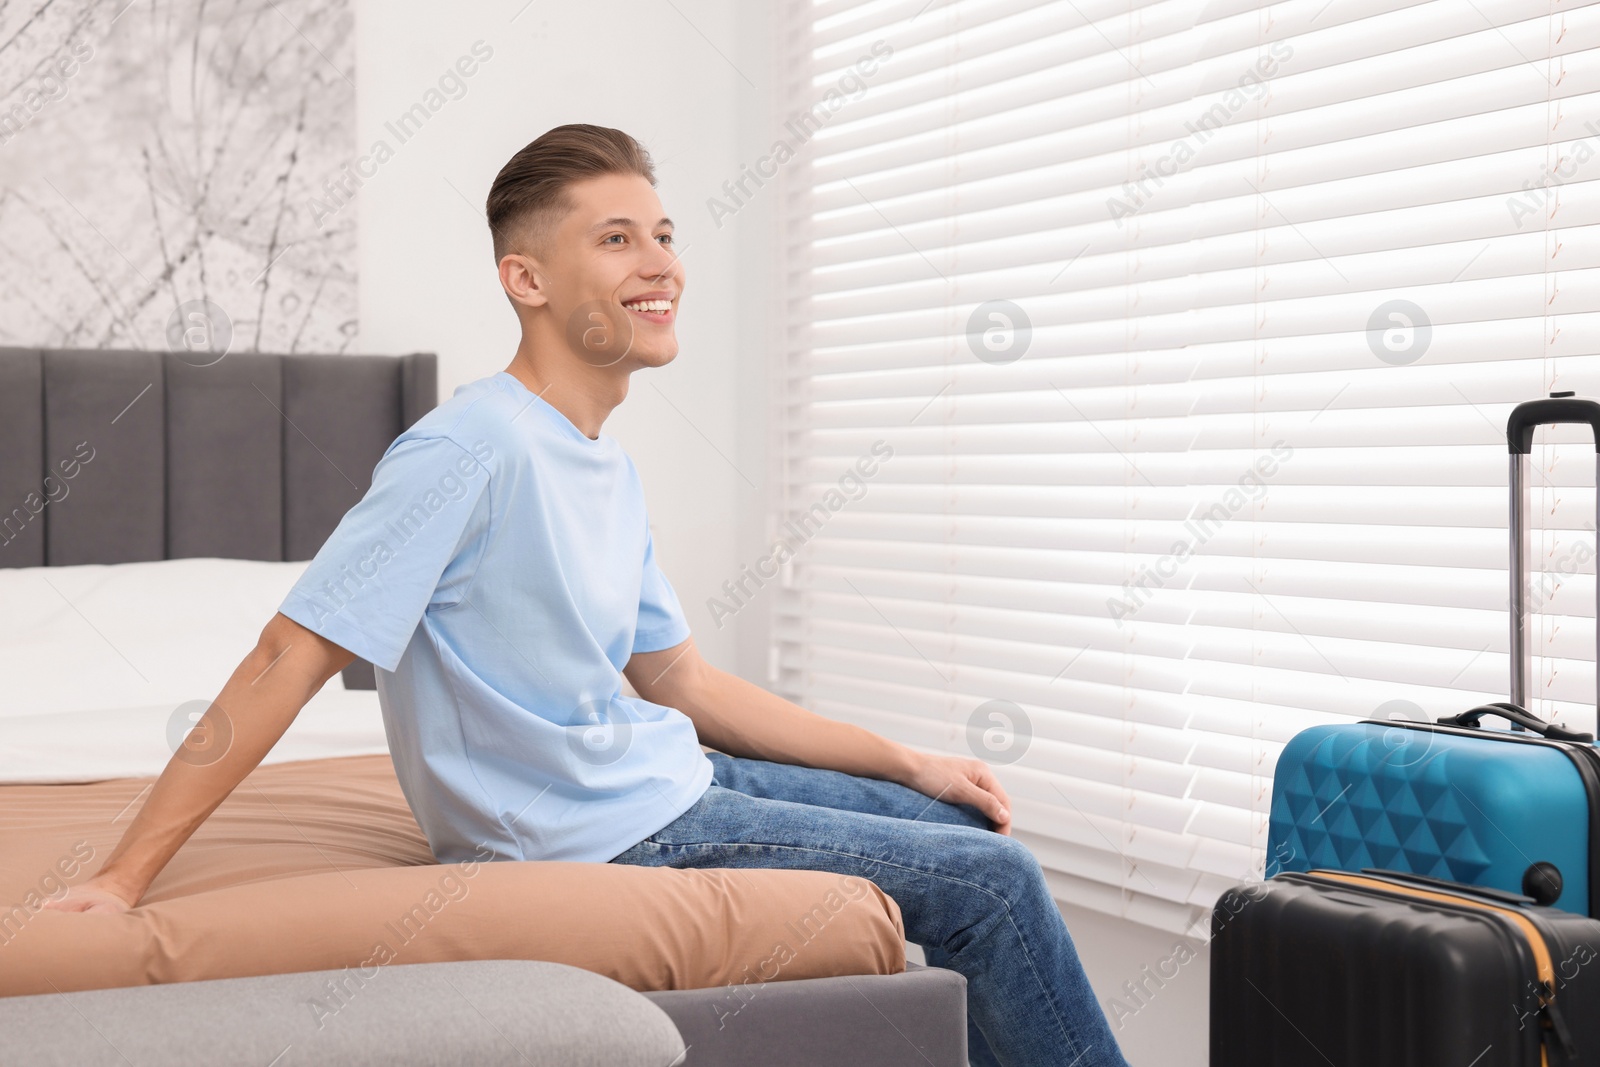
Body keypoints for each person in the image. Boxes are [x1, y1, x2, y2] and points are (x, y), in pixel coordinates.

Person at [47, 124, 1128, 1067]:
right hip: (598, 832)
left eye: (663, 234)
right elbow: (292, 653)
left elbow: (681, 680)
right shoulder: (469, 446)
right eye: (616, 239)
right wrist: (124, 877)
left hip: (666, 777)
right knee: (995, 884)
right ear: (528, 279)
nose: (660, 263)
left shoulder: (598, 458)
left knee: (955, 819)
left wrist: (909, 758)